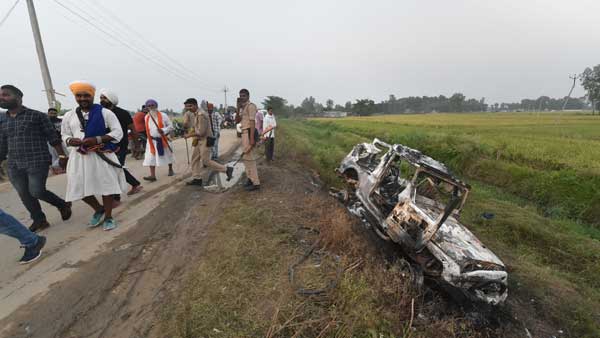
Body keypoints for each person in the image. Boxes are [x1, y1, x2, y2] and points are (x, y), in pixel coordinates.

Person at [0, 84, 72, 232]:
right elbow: (3, 143)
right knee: (24, 194)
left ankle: (62, 204)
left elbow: (53, 137)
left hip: (37, 160)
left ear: (19, 97)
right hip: (14, 164)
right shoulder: (3, 120)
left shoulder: (37, 116)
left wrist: (62, 155)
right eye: (0, 96)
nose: (2, 98)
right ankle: (39, 220)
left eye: (6, 95)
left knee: (37, 191)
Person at [61, 80, 127, 231]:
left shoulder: (105, 112)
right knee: (78, 187)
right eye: (79, 96)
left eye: (86, 95)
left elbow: (118, 132)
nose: (83, 98)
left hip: (101, 155)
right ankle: (98, 209)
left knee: (106, 186)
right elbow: (64, 134)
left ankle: (109, 217)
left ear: (92, 96)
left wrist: (96, 139)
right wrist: (70, 140)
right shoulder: (69, 115)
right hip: (79, 157)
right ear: (75, 97)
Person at [99, 89, 143, 205]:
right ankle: (135, 184)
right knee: (116, 168)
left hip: (120, 146)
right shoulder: (100, 113)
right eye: (101, 98)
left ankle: (116, 198)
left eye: (104, 98)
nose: (101, 100)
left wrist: (137, 146)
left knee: (115, 170)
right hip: (106, 146)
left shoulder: (123, 113)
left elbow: (133, 130)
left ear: (111, 99)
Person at [182, 98, 233, 186]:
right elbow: (195, 127)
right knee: (194, 159)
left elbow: (201, 132)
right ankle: (197, 178)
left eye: (190, 106)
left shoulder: (202, 114)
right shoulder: (195, 114)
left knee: (206, 161)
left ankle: (226, 169)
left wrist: (189, 135)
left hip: (205, 140)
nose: (188, 108)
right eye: (187, 107)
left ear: (195, 105)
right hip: (199, 140)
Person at [142, 99, 174, 181]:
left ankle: (170, 169)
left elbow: (171, 127)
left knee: (168, 155)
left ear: (156, 106)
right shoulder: (146, 117)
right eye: (149, 106)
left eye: (152, 105)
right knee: (150, 158)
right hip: (151, 141)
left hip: (163, 139)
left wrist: (163, 130)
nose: (151, 107)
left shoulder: (163, 115)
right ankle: (153, 176)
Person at [237, 89, 260, 191]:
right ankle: (250, 179)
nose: (242, 97)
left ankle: (256, 183)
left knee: (250, 159)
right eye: (240, 96)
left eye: (244, 96)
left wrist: (251, 139)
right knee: (246, 158)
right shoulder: (243, 107)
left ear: (248, 96)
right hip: (244, 133)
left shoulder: (251, 106)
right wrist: (238, 108)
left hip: (248, 133)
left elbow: (252, 123)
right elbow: (237, 121)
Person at [47, 107, 67, 174]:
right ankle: (56, 168)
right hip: (50, 142)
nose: (53, 115)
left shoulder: (61, 121)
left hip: (61, 141)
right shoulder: (46, 121)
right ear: (48, 113)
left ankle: (59, 167)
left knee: (65, 154)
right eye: (51, 113)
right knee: (54, 156)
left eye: (55, 113)